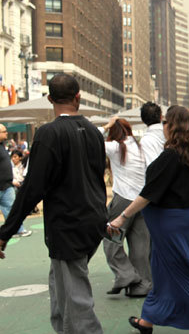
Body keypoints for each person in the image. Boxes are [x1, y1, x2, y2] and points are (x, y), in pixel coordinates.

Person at [0, 73, 107, 333]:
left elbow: (32, 189)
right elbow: (98, 177)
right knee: (60, 289)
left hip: (67, 225)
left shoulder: (49, 133)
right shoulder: (94, 132)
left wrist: (6, 232)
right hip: (93, 220)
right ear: (78, 96)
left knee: (76, 301)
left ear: (49, 98)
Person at [108, 106, 189, 334]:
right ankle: (147, 320)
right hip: (186, 217)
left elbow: (147, 193)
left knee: (185, 273)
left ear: (173, 127)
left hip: (169, 223)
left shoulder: (170, 156)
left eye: (166, 123)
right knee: (161, 270)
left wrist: (122, 217)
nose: (164, 127)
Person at [98, 116, 152, 297]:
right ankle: (143, 285)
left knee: (110, 239)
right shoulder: (140, 147)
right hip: (142, 201)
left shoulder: (115, 147)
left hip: (122, 199)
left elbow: (92, 139)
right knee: (140, 246)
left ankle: (126, 274)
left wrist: (106, 125)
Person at [0, 125, 31, 238]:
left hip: (7, 185)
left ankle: (18, 230)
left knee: (13, 209)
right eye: (4, 132)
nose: (7, 133)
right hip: (3, 185)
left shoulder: (2, 146)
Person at [140, 102, 166, 167]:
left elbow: (151, 167)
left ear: (143, 120)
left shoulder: (145, 140)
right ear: (161, 117)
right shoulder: (172, 134)